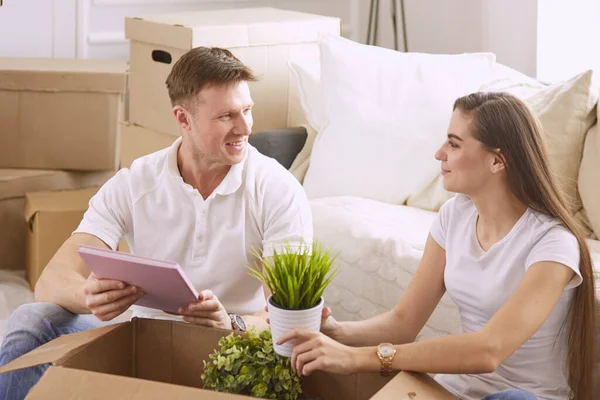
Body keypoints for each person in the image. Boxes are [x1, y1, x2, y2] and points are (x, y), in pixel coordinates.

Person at [0, 47, 312, 399]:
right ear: (183, 118)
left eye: (247, 110)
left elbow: (289, 318)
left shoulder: (278, 191)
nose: (245, 127)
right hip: (142, 338)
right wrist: (90, 297)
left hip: (232, 346)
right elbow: (51, 280)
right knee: (30, 321)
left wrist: (232, 323)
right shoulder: (135, 182)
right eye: (227, 116)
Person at [279, 92, 596, 400]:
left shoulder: (553, 244)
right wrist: (335, 332)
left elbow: (490, 350)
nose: (439, 153)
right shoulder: (454, 216)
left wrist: (357, 358)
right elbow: (403, 322)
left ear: (498, 161)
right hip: (453, 391)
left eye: (454, 143)